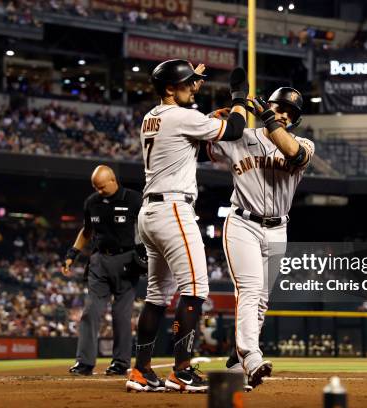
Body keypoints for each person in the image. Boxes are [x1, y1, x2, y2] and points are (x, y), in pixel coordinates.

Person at [126, 59, 248, 393]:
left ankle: (142, 372)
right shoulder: (182, 116)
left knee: (156, 296)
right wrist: (238, 99)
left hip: (150, 213)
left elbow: (195, 150)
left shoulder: (152, 117)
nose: (195, 86)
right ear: (169, 88)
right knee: (195, 289)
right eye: (188, 82)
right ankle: (181, 371)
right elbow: (235, 130)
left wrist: (208, 121)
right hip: (173, 210)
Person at [205, 87, 314, 389]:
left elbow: (295, 154)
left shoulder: (302, 143)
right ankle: (251, 357)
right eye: (280, 108)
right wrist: (224, 114)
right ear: (270, 105)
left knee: (262, 301)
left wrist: (268, 117)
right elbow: (205, 144)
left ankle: (236, 368)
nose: (284, 115)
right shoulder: (243, 137)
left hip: (279, 228)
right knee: (250, 291)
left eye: (290, 114)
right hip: (243, 223)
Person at [64, 165, 143, 376]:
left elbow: (149, 226)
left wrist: (147, 253)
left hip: (127, 261)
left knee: (121, 315)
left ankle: (120, 363)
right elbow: (87, 230)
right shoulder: (92, 202)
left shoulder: (134, 199)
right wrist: (73, 254)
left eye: (101, 187)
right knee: (90, 312)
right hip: (99, 260)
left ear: (113, 180)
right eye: (95, 187)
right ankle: (84, 363)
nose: (98, 191)